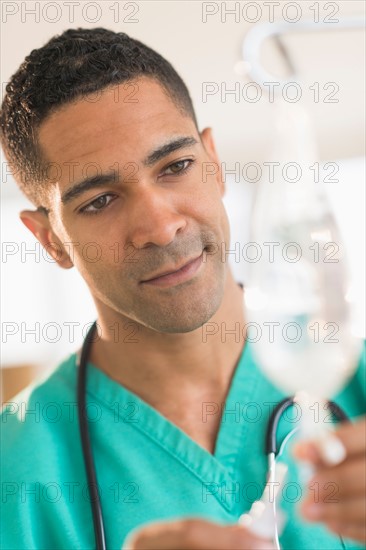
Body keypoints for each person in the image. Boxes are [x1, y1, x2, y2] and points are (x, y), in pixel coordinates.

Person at [0, 28, 365, 550]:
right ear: (50, 239)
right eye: (99, 201)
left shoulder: (354, 381)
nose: (160, 226)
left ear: (214, 164)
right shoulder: (17, 475)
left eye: (176, 166)